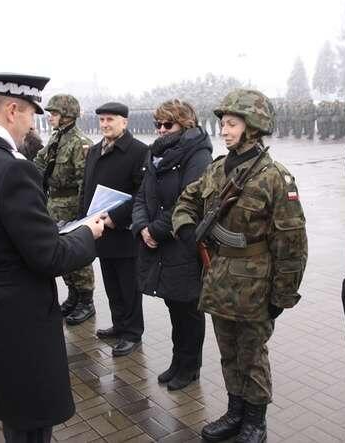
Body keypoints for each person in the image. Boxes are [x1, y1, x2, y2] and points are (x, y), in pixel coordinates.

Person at [0, 73, 104, 442]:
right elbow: (49, 257)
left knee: (12, 406)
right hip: (20, 313)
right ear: (12, 110)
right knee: (31, 416)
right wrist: (88, 233)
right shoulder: (12, 168)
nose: (33, 124)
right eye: (31, 114)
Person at [173, 89, 308, 443]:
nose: (224, 130)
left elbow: (291, 243)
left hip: (255, 285)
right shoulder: (218, 169)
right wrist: (186, 228)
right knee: (228, 353)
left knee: (252, 355)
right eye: (223, 124)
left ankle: (255, 420)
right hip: (219, 278)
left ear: (253, 126)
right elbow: (187, 199)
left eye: (232, 124)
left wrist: (282, 295)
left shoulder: (274, 177)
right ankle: (235, 412)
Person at [132, 99, 212, 390]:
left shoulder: (198, 155)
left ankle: (190, 367)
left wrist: (155, 230)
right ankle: (178, 361)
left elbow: (187, 202)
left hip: (182, 242)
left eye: (168, 124)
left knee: (188, 309)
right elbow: (142, 196)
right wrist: (142, 227)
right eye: (158, 124)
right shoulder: (155, 153)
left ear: (185, 124)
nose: (161, 130)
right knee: (174, 306)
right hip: (160, 244)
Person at [80, 102, 147, 357]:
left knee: (129, 286)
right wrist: (83, 219)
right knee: (111, 284)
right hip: (100, 230)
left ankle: (132, 333)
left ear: (124, 122)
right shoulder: (94, 151)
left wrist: (116, 217)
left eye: (110, 119)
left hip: (123, 232)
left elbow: (143, 193)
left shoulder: (138, 151)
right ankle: (119, 325)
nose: (105, 124)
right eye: (102, 120)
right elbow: (86, 188)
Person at [34, 94, 96, 324]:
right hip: (54, 205)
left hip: (72, 207)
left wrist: (82, 214)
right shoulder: (56, 138)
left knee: (78, 254)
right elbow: (40, 163)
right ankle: (73, 295)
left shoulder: (80, 142)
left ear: (68, 115)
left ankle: (86, 301)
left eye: (54, 113)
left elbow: (84, 181)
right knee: (62, 252)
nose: (50, 117)